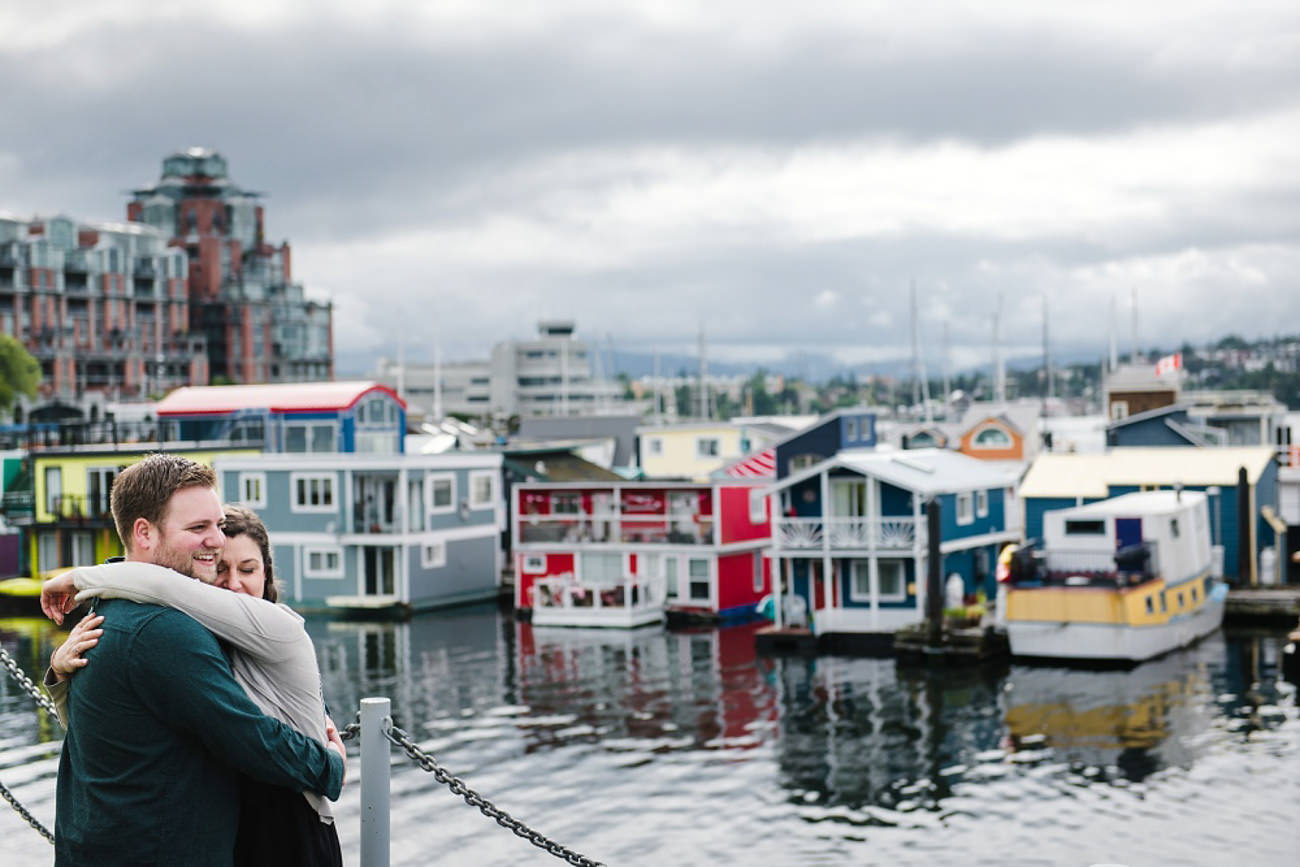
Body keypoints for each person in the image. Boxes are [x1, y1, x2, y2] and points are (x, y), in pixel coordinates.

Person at [38, 453, 344, 867]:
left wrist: (80, 586)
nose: (216, 541)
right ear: (144, 533)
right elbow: (251, 736)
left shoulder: (109, 612)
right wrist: (330, 766)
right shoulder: (164, 632)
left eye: (218, 525)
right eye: (199, 528)